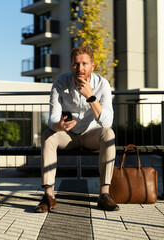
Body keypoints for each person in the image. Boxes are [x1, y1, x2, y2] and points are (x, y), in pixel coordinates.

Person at [34, 46, 119, 213]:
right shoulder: (60, 83)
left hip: (91, 134)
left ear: (92, 66)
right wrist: (60, 126)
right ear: (70, 66)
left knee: (109, 134)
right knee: (47, 135)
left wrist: (90, 96)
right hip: (69, 135)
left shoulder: (102, 84)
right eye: (76, 64)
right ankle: (49, 196)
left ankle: (104, 195)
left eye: (84, 64)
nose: (80, 68)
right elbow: (52, 119)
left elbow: (107, 122)